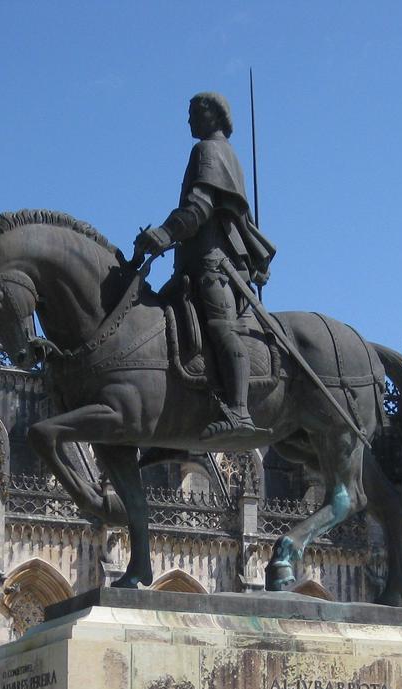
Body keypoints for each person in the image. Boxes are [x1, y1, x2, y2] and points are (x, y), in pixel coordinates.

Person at [134, 91, 276, 441]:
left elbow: (200, 208)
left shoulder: (209, 151)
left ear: (215, 114)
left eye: (194, 112)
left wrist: (164, 233)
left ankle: (239, 410)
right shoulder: (219, 152)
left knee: (220, 327)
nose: (189, 120)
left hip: (214, 265)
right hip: (194, 265)